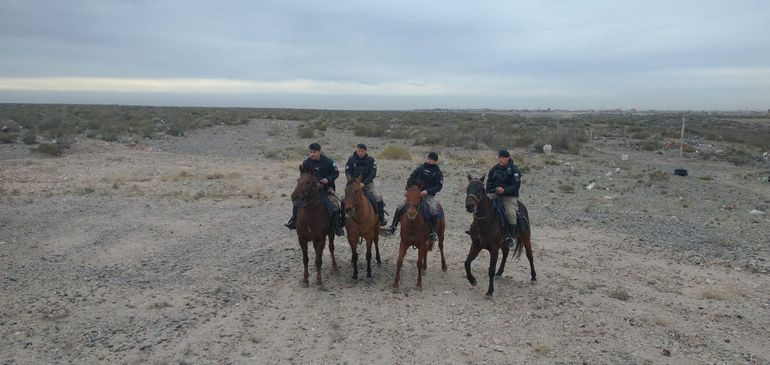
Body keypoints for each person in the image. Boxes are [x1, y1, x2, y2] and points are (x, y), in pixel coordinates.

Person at [285, 142, 345, 236]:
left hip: (326, 188)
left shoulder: (328, 162)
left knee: (335, 205)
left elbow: (336, 173)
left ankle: (337, 227)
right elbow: (303, 176)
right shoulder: (306, 163)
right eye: (310, 152)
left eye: (314, 152)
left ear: (319, 152)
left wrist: (327, 179)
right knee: (297, 202)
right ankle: (293, 221)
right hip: (310, 189)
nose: (312, 154)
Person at [382, 152, 443, 243]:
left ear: (435, 161)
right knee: (400, 205)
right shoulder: (420, 168)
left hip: (428, 195)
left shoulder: (437, 172)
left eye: (432, 160)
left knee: (433, 209)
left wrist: (427, 191)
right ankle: (393, 227)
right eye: (429, 158)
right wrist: (409, 189)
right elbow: (410, 178)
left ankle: (433, 232)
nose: (430, 161)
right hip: (415, 194)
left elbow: (439, 186)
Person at [486, 149, 522, 248]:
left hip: (508, 197)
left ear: (508, 158)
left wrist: (504, 190)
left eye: (503, 158)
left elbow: (516, 186)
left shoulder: (514, 170)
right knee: (482, 206)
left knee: (510, 213)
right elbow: (488, 183)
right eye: (500, 157)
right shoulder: (494, 169)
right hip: (494, 194)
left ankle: (511, 236)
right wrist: (491, 191)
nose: (501, 160)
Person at [344, 143, 387, 226]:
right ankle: (343, 219)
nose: (360, 152)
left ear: (365, 151)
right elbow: (347, 172)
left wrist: (364, 183)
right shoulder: (351, 160)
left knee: (378, 198)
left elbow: (373, 173)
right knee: (344, 199)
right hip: (353, 185)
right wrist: (351, 181)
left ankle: (381, 218)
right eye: (359, 150)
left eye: (362, 151)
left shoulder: (371, 160)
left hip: (367, 184)